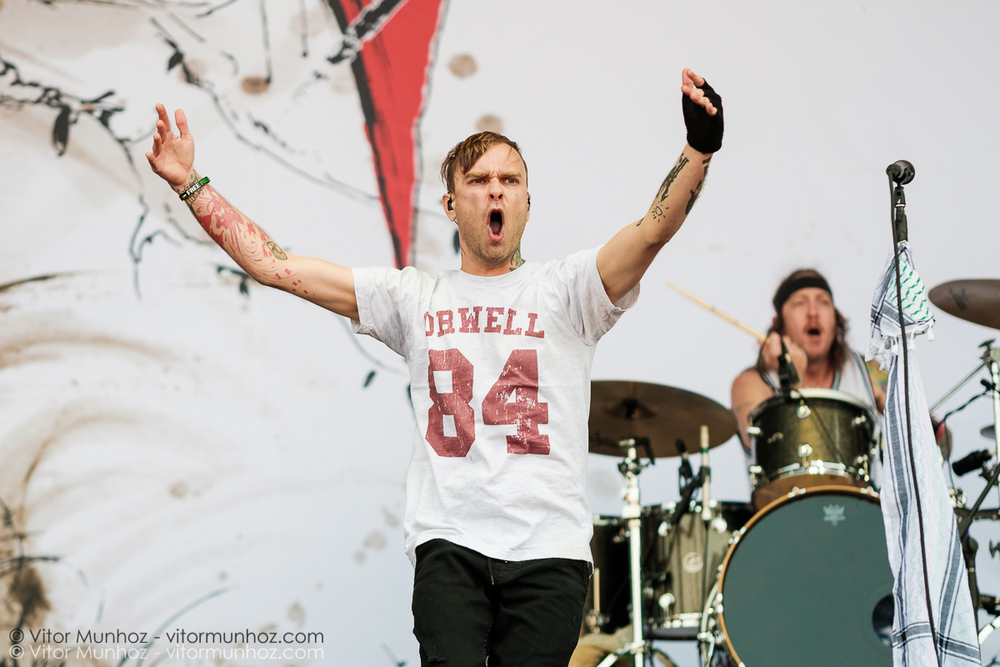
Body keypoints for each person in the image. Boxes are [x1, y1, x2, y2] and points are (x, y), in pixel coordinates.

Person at [146, 68, 723, 667]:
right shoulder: (414, 296)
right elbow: (276, 266)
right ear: (451, 204)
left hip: (549, 550)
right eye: (479, 181)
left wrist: (698, 149)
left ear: (528, 200)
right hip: (450, 545)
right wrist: (191, 182)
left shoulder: (567, 290)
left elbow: (652, 231)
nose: (496, 191)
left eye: (510, 180)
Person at [731, 269, 886, 458]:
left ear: (835, 319)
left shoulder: (867, 370)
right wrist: (791, 379)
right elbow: (773, 451)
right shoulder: (751, 383)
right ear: (779, 322)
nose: (813, 312)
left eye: (823, 302)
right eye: (799, 303)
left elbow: (916, 424)